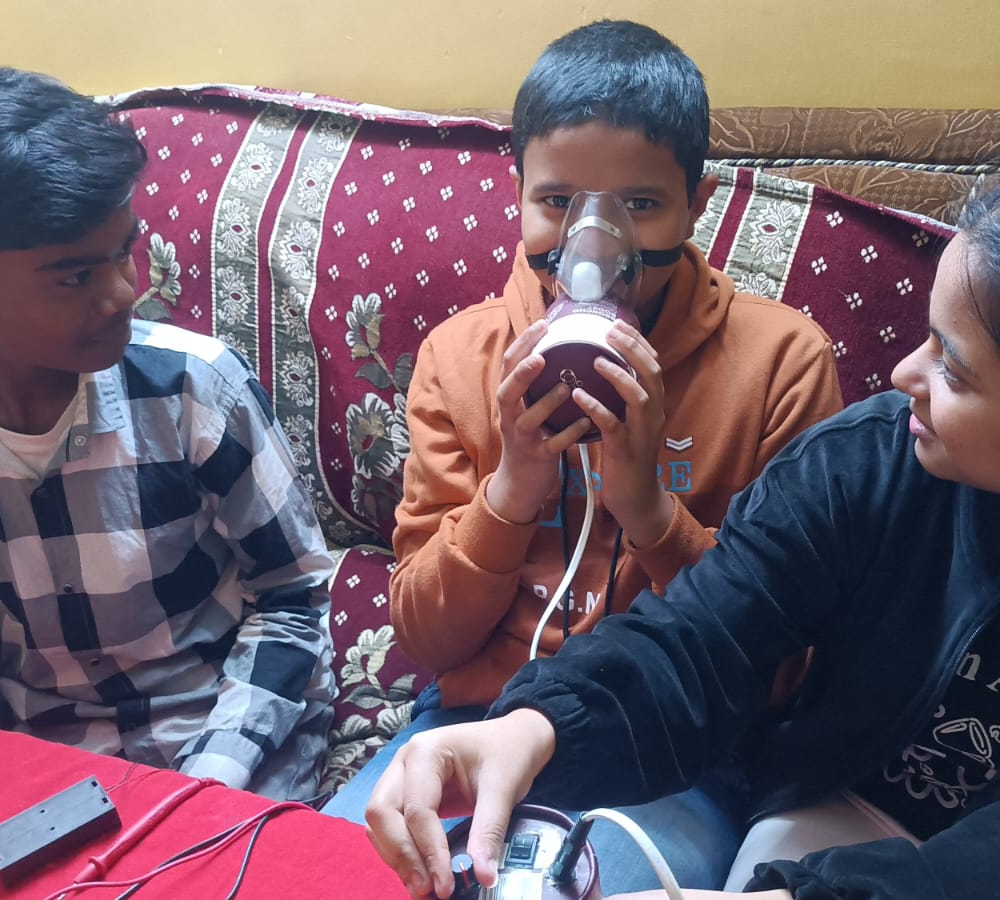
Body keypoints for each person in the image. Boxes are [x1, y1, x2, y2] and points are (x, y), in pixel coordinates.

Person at [363, 149, 1000, 899]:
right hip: (822, 826)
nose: (900, 378)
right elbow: (704, 638)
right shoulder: (872, 460)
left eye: (952, 369)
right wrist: (533, 729)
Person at [321, 18, 843, 885]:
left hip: (675, 750)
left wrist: (648, 508)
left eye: (640, 205)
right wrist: (513, 487)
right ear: (517, 191)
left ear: (696, 205)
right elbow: (421, 636)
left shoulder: (781, 364)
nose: (594, 243)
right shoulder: (462, 358)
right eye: (558, 202)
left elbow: (787, 671)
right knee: (326, 876)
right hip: (471, 722)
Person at [0, 62, 337, 801]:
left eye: (123, 251)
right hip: (47, 750)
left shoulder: (193, 387)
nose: (124, 291)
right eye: (74, 277)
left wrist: (206, 783)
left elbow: (293, 603)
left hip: (227, 731)